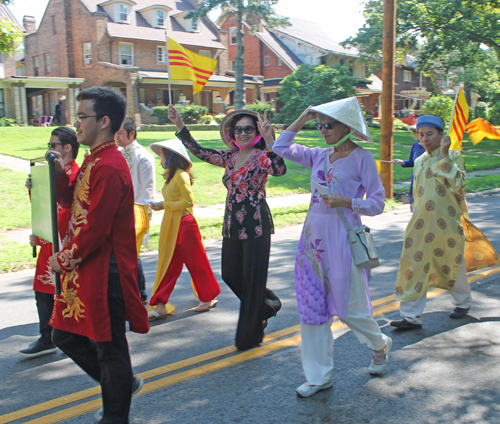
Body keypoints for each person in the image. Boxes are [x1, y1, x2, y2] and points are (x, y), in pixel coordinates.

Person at [270, 98, 391, 398]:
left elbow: (377, 202)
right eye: (319, 124)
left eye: (328, 124)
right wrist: (302, 117)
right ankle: (318, 376)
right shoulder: (319, 156)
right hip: (311, 241)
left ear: (346, 127)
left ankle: (379, 345)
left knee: (351, 310)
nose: (322, 130)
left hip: (342, 240)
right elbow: (280, 148)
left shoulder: (362, 158)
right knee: (312, 309)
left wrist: (348, 201)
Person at [47, 86, 149, 424]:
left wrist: (62, 259)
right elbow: (71, 204)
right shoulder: (94, 159)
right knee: (65, 335)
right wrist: (55, 177)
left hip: (107, 270)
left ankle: (115, 414)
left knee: (110, 348)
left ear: (104, 121)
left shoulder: (108, 165)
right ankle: (121, 385)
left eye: (82, 117)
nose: (76, 125)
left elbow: (96, 228)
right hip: (88, 268)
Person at [168, 104, 286, 350]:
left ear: (257, 132)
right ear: (233, 133)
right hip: (232, 224)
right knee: (230, 274)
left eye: (249, 129)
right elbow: (199, 151)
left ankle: (249, 336)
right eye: (239, 129)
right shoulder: (229, 157)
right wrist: (180, 124)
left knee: (253, 280)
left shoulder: (262, 156)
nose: (244, 133)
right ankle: (267, 304)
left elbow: (279, 169)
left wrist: (270, 140)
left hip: (256, 224)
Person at [391, 115, 472, 330]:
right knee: (414, 264)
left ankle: (463, 303)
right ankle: (410, 317)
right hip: (420, 223)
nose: (425, 138)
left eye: (430, 134)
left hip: (446, 223)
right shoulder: (419, 160)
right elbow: (417, 192)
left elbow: (458, 184)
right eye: (421, 134)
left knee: (452, 264)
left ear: (441, 135)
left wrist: (444, 155)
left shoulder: (454, 156)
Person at [20, 127, 80, 358]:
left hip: (67, 241)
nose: (48, 150)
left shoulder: (76, 175)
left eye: (52, 145)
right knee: (42, 291)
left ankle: (71, 334)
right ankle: (47, 337)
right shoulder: (47, 174)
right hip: (49, 240)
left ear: (67, 148)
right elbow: (45, 207)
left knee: (66, 291)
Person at [146, 139, 220, 320]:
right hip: (172, 225)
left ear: (171, 156)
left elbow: (189, 202)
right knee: (168, 264)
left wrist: (164, 205)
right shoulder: (172, 176)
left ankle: (208, 297)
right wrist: (163, 206)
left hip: (185, 225)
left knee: (196, 262)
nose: (159, 158)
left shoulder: (181, 175)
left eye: (162, 154)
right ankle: (161, 304)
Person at [115, 116, 156, 304]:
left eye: (120, 133)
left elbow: (147, 189)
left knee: (133, 253)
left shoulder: (143, 156)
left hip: (136, 211)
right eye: (115, 133)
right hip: (118, 211)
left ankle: (140, 293)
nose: (116, 137)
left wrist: (143, 216)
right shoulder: (117, 153)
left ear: (132, 133)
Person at [390, 125, 425, 211]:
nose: (418, 134)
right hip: (416, 176)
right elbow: (413, 162)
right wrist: (402, 161)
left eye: (420, 132)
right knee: (415, 198)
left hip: (426, 176)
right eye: (416, 132)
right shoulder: (415, 145)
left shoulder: (429, 146)